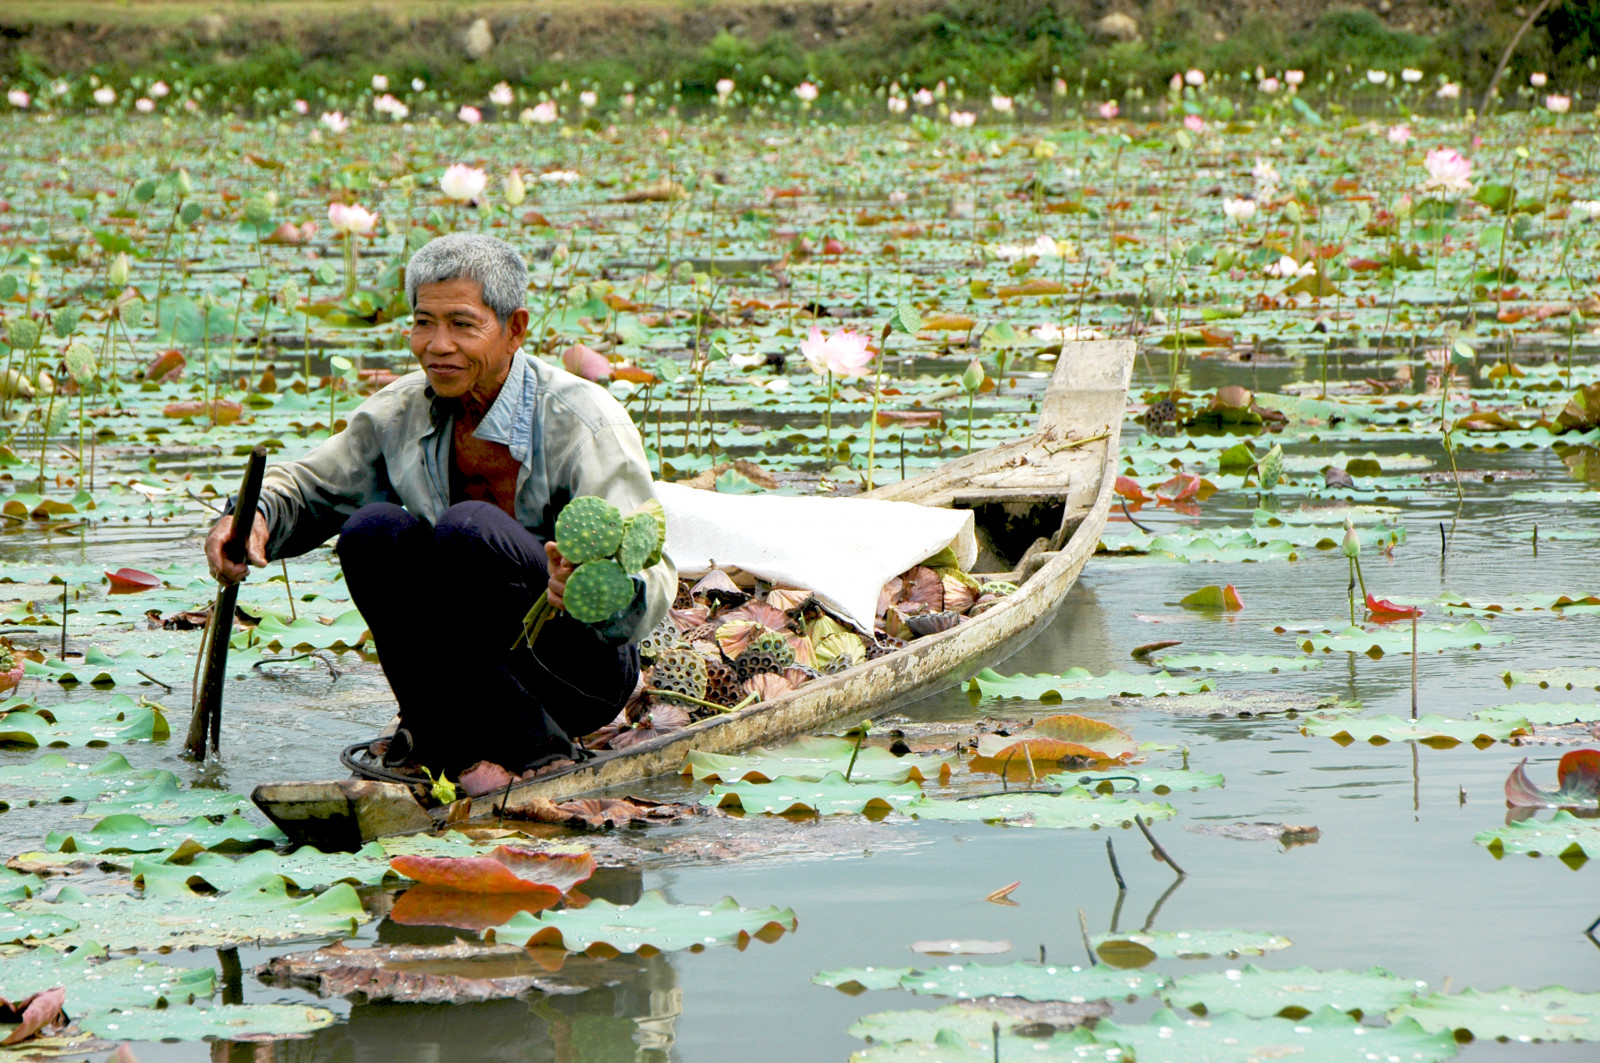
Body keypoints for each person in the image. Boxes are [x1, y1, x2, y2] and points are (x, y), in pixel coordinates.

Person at [205, 233, 674, 777]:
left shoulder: (586, 422)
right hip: (458, 675)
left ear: (514, 329)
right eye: (423, 322)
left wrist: (592, 590)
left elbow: (652, 574)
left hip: (576, 675)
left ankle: (539, 750)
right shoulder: (400, 410)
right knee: (371, 530)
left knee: (468, 530)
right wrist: (249, 519)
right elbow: (309, 486)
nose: (437, 345)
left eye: (461, 324)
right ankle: (434, 733)